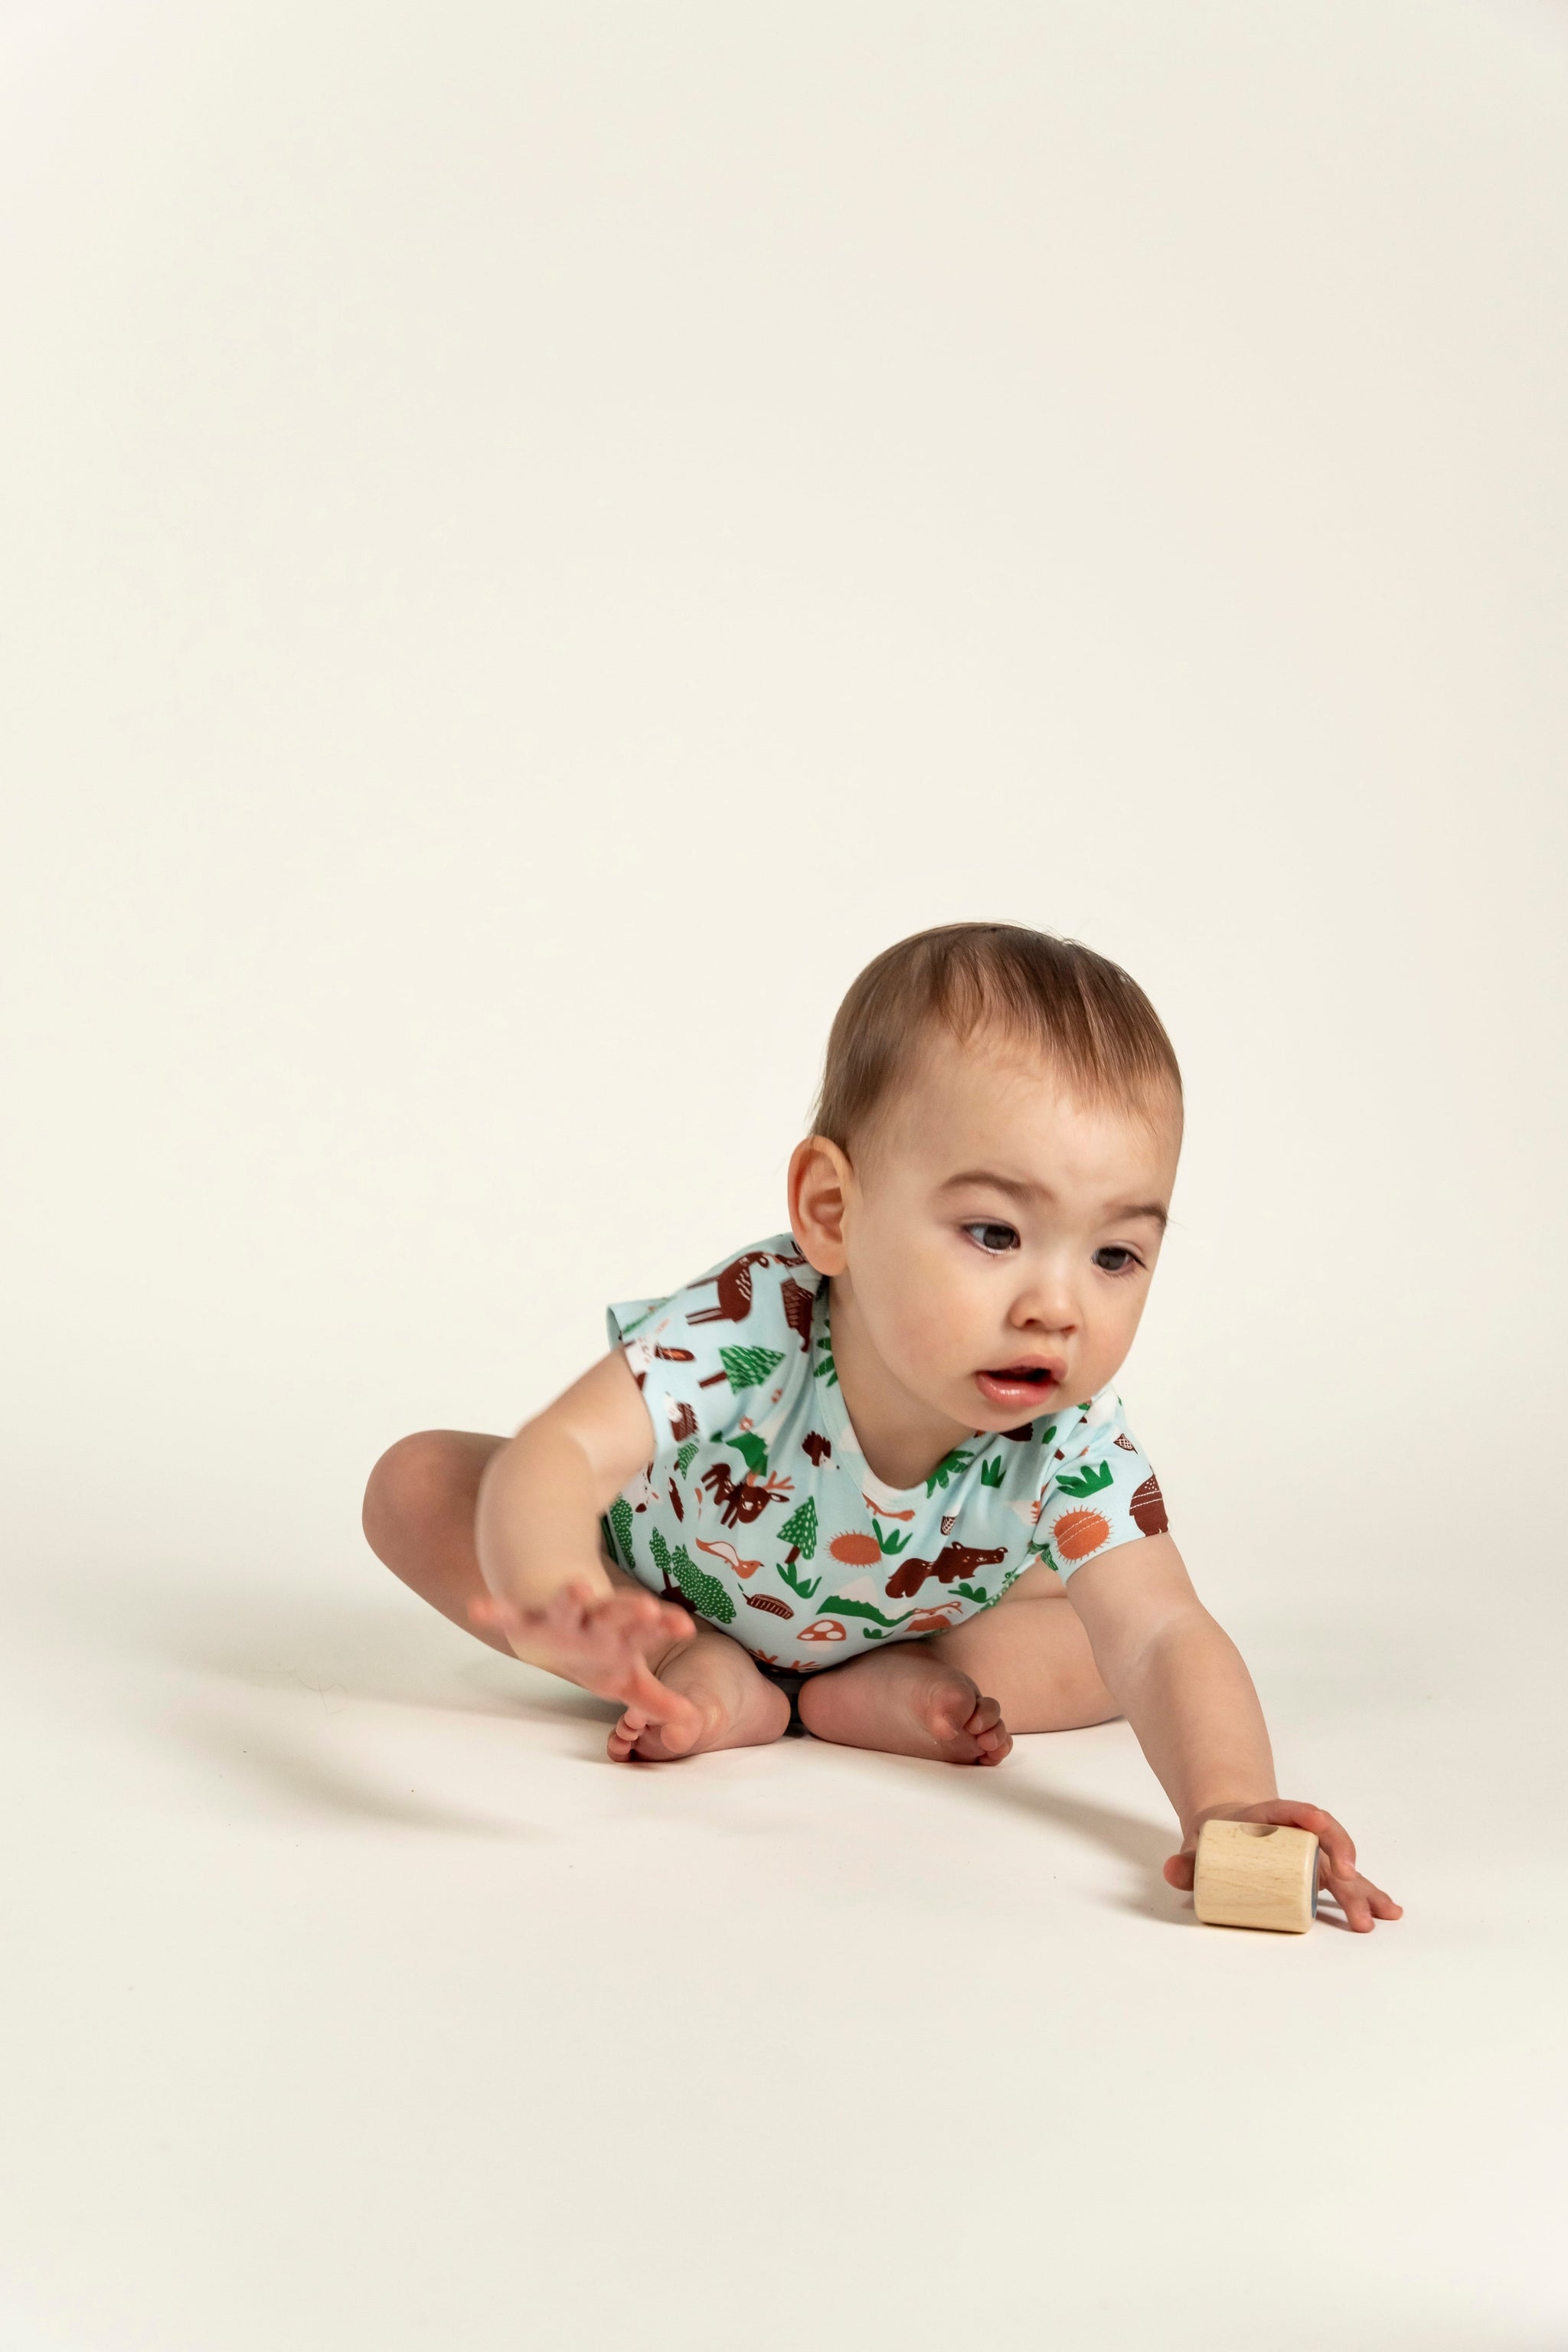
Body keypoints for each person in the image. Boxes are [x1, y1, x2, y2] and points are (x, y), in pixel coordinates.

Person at [362, 922, 1401, 1931]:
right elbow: (567, 1453)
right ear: (832, 1212)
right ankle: (693, 1673)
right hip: (659, 1589)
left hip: (911, 1618)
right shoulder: (753, 1322)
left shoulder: (1071, 1439)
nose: (1058, 1306)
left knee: (1116, 1641)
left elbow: (1166, 1631)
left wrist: (1230, 1805)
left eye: (1115, 1256)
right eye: (996, 1233)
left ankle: (891, 1685)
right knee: (419, 1484)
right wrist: (553, 1584)